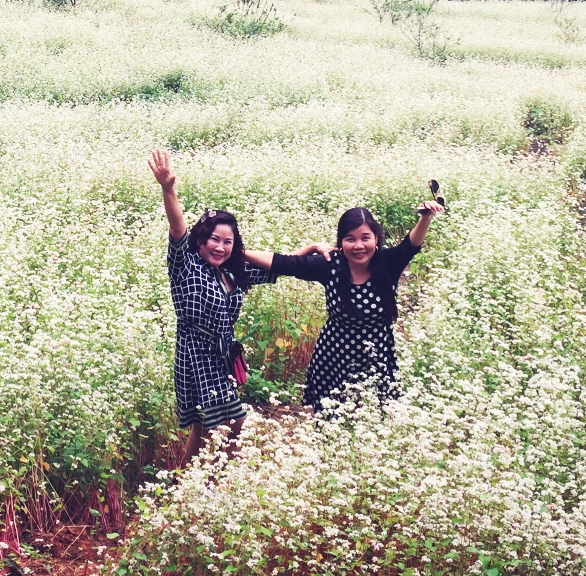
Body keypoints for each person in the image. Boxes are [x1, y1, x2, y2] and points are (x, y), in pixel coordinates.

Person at [149, 150, 305, 461]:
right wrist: (168, 189)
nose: (220, 247)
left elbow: (278, 267)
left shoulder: (232, 271)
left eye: (227, 242)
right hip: (196, 355)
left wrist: (310, 250)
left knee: (201, 428)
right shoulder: (186, 266)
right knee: (235, 423)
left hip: (221, 355)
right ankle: (213, 478)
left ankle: (188, 480)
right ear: (200, 239)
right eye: (214, 239)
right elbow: (177, 229)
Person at [264, 199, 441, 412]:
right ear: (340, 242)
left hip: (377, 359)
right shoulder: (330, 264)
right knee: (329, 420)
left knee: (375, 419)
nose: (358, 246)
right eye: (350, 239)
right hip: (333, 360)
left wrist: (425, 218)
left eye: (365, 238)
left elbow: (410, 245)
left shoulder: (388, 262)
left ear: (376, 238)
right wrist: (237, 253)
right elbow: (282, 263)